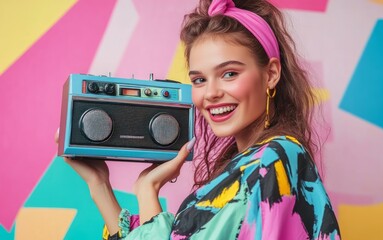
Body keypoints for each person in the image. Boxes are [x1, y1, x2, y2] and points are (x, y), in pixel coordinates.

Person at [59, 0, 341, 239]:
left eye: (229, 73)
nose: (211, 93)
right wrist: (99, 184)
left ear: (271, 74)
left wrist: (148, 190)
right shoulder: (250, 164)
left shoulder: (272, 160)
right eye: (199, 80)